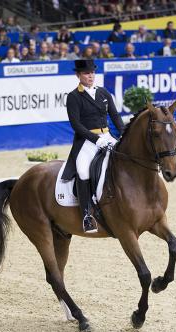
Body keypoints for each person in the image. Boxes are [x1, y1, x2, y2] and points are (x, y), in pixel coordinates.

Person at [61, 59, 125, 233]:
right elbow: (76, 125)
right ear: (78, 76)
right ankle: (86, 215)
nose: (90, 76)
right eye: (86, 74)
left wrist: (124, 134)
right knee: (83, 170)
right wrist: (96, 139)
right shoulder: (74, 96)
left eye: (92, 73)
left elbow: (116, 117)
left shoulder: (103, 93)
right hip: (87, 140)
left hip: (107, 136)